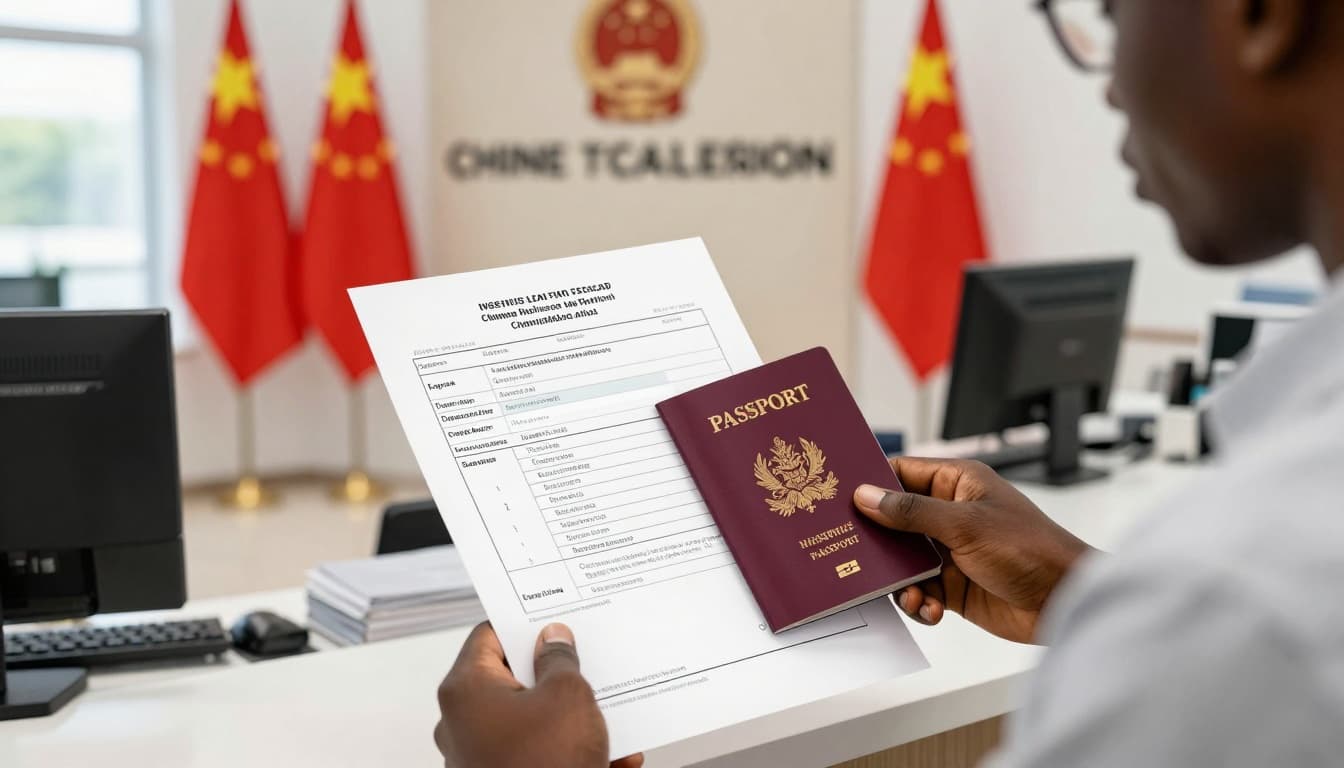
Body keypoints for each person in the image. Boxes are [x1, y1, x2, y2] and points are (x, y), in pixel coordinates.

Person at [434, 0, 1344, 765]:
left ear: (1261, 16)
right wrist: (1083, 593)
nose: (1107, 81)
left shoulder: (1250, 587)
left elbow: (1247, 633)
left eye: (1109, 13)